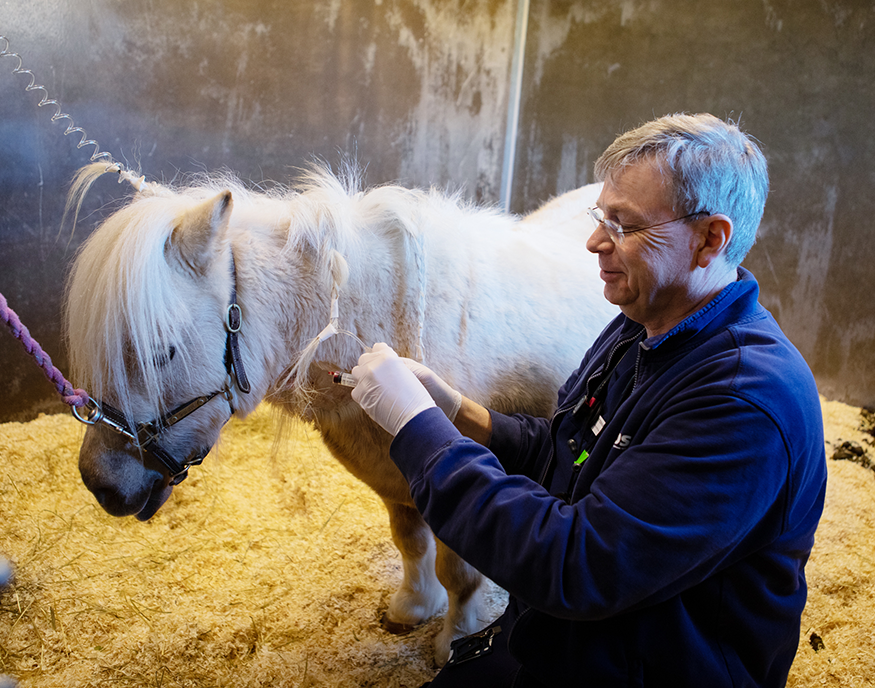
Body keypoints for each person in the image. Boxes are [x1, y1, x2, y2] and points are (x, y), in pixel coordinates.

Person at [350, 113, 827, 687]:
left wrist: (419, 429)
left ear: (709, 240)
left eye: (625, 226)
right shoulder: (640, 324)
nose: (595, 242)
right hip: (567, 642)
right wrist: (457, 411)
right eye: (603, 216)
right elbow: (571, 450)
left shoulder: (743, 400)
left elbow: (578, 566)